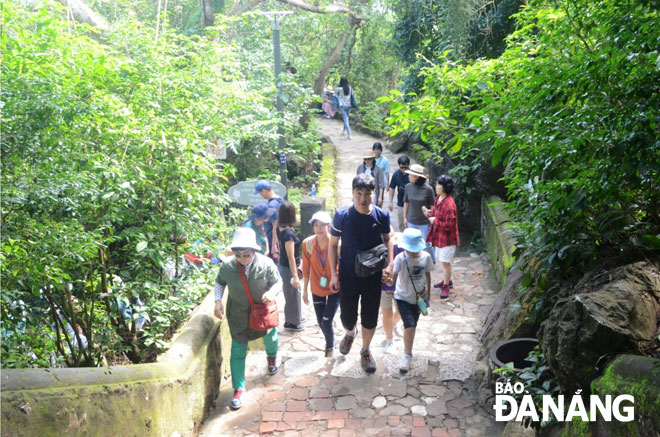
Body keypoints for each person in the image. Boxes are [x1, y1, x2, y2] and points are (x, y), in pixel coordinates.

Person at [329, 174, 394, 374]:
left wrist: (390, 264)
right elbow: (332, 245)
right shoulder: (342, 216)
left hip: (372, 274)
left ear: (374, 193)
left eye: (367, 193)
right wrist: (333, 274)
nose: (363, 198)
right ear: (353, 193)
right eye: (359, 193)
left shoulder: (381, 216)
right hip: (348, 274)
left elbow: (387, 239)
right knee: (347, 316)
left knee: (370, 316)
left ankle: (365, 350)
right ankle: (350, 332)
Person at [213, 227, 282, 410]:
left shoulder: (266, 264)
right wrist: (217, 301)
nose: (243, 259)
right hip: (238, 315)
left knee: (270, 336)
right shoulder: (227, 267)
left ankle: (272, 358)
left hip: (262, 312)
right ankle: (238, 388)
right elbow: (219, 282)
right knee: (237, 350)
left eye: (247, 254)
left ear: (254, 251)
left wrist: (271, 292)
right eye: (238, 254)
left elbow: (278, 282)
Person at [390, 228, 433, 374]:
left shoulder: (426, 257)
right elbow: (393, 279)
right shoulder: (400, 259)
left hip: (419, 297)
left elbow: (427, 275)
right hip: (402, 297)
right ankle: (407, 355)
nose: (412, 252)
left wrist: (429, 295)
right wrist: (387, 282)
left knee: (411, 323)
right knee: (411, 325)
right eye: (410, 249)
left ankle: (393, 323)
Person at [301, 211, 339, 357]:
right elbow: (306, 268)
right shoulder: (308, 244)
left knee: (326, 320)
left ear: (329, 226)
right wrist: (305, 290)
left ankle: (329, 347)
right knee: (320, 320)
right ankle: (330, 341)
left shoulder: (337, 244)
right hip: (317, 287)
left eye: (322, 225)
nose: (319, 228)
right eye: (316, 225)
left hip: (334, 287)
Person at [427, 175, 460, 299]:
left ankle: (446, 286)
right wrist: (429, 213)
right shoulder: (439, 198)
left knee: (445, 262)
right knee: (442, 261)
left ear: (445, 187)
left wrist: (434, 221)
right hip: (440, 237)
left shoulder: (450, 205)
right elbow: (435, 212)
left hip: (448, 239)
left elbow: (449, 225)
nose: (436, 187)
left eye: (438, 185)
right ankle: (447, 281)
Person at [277, 201, 303, 331]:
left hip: (284, 265)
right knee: (292, 294)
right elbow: (291, 257)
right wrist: (295, 276)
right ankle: (292, 322)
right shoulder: (288, 234)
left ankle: (296, 316)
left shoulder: (280, 228)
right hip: (288, 268)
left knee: (293, 294)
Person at [380, 229, 404, 353]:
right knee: (386, 314)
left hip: (399, 287)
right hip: (383, 289)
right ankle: (389, 339)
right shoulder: (375, 250)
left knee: (401, 312)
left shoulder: (400, 248)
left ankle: (393, 324)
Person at [403, 163, 435, 242]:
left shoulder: (428, 189)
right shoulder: (408, 187)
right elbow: (406, 203)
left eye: (410, 175)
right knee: (411, 243)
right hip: (411, 221)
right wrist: (404, 218)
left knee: (425, 245)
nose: (408, 176)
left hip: (424, 223)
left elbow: (433, 206)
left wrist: (433, 221)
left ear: (416, 177)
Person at [255, 180, 284, 259]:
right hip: (281, 237)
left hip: (273, 240)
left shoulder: (272, 205)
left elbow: (274, 225)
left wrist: (274, 245)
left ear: (264, 191)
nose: (261, 195)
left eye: (260, 193)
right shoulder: (280, 199)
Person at [388, 156, 411, 232]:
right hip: (401, 202)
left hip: (412, 203)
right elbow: (392, 188)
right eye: (402, 167)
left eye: (405, 167)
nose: (404, 169)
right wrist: (390, 201)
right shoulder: (396, 174)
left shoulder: (412, 174)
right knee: (402, 224)